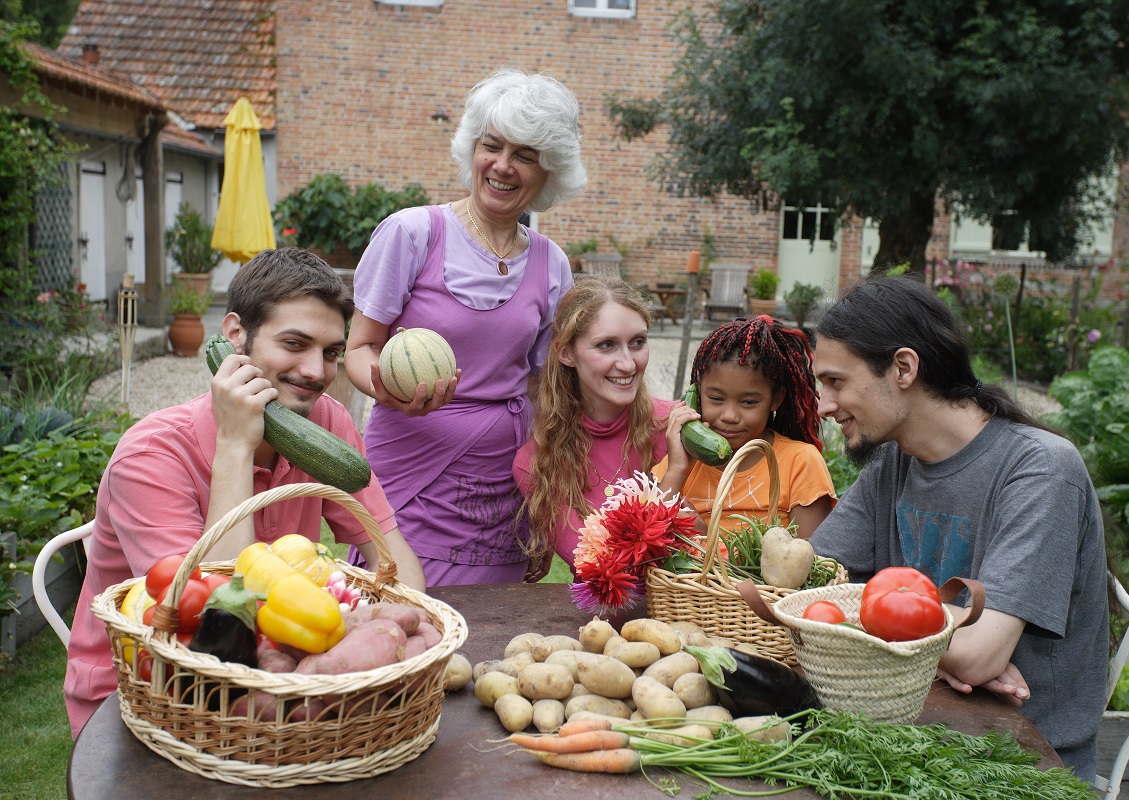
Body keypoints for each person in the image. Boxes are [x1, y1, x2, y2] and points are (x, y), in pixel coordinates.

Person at [63, 248, 426, 738]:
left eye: (331, 352)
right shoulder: (150, 455)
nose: (317, 372)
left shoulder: (327, 424)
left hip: (272, 680)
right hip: (147, 689)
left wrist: (401, 641)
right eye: (294, 343)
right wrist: (236, 444)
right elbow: (227, 614)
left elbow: (392, 555)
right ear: (235, 334)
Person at [807, 276, 1108, 781]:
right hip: (910, 732)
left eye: (836, 382)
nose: (823, 406)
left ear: (904, 367)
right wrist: (936, 651)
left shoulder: (1040, 469)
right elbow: (807, 590)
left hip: (1019, 764)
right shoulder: (894, 463)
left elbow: (976, 654)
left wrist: (927, 644)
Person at [344, 69, 586, 586]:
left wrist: (543, 506)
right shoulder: (413, 233)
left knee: (491, 646)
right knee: (400, 619)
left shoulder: (552, 264)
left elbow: (545, 391)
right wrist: (387, 389)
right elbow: (360, 346)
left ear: (549, 172)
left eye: (524, 155)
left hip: (499, 484)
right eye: (491, 146)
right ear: (470, 149)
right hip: (409, 467)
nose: (502, 166)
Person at [513, 276, 674, 581]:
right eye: (606, 345)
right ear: (566, 353)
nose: (628, 364)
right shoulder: (537, 463)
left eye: (637, 342)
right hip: (601, 625)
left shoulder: (673, 426)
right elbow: (599, 568)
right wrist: (675, 473)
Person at [654, 314, 835, 536]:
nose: (730, 416)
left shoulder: (800, 462)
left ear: (776, 399)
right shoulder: (680, 465)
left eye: (748, 402)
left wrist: (705, 540)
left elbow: (810, 562)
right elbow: (644, 539)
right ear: (698, 393)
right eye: (716, 399)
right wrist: (677, 469)